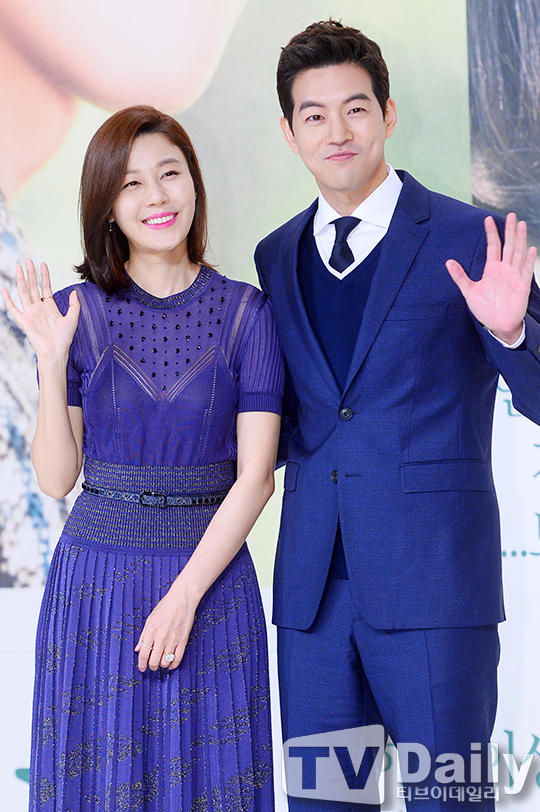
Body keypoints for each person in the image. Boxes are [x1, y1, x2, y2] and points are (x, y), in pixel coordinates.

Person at [254, 20, 540, 812]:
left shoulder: (468, 236)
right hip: (313, 603)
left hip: (435, 595)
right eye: (314, 115)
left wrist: (511, 334)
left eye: (355, 108)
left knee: (451, 802)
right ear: (289, 133)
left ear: (387, 113)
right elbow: (286, 417)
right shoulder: (275, 255)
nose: (336, 131)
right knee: (324, 804)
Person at [2, 105, 282, 811]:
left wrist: (184, 598)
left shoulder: (248, 314)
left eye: (169, 174)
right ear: (107, 205)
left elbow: (255, 480)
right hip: (96, 584)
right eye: (131, 183)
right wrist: (51, 362)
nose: (156, 196)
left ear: (194, 184)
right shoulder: (75, 312)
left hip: (211, 582)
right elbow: (56, 479)